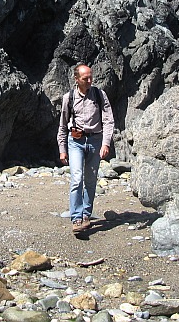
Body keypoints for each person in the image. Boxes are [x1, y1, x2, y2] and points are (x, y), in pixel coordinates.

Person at [57, 63, 114, 235]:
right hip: (75, 141)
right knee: (76, 178)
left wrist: (106, 143)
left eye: (91, 77)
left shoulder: (99, 94)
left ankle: (86, 215)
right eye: (85, 78)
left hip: (96, 141)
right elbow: (62, 125)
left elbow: (108, 120)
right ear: (76, 79)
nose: (89, 80)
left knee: (90, 180)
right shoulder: (69, 97)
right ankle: (76, 218)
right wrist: (62, 148)